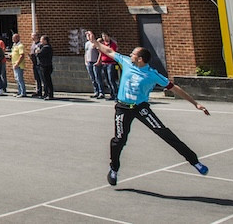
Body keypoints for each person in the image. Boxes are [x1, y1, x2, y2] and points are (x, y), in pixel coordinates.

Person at [86, 31, 210, 186]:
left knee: (164, 133)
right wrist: (94, 42)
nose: (130, 55)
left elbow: (174, 88)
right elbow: (109, 51)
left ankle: (195, 162)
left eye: (133, 54)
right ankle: (114, 169)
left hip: (140, 108)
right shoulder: (126, 62)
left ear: (140, 59)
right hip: (123, 108)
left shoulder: (152, 74)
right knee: (119, 140)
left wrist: (195, 103)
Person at [98, 32, 119, 100]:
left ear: (109, 37)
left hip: (111, 63)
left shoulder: (112, 44)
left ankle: (116, 95)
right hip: (104, 63)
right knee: (107, 80)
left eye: (105, 36)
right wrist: (99, 61)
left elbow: (112, 52)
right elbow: (100, 53)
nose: (104, 38)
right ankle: (112, 94)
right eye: (103, 36)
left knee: (111, 79)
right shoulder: (102, 44)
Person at [84, 32, 103, 98]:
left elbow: (100, 53)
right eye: (87, 35)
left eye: (89, 35)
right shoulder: (87, 44)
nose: (88, 37)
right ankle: (96, 91)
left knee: (98, 77)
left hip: (95, 62)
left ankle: (101, 92)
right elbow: (86, 53)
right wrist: (86, 61)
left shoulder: (95, 43)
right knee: (93, 78)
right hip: (89, 62)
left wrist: (98, 61)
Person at [36, 35, 54, 100]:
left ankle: (50, 94)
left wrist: (37, 52)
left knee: (47, 81)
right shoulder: (43, 47)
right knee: (45, 81)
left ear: (45, 41)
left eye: (42, 40)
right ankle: (46, 93)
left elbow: (39, 54)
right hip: (44, 65)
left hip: (46, 66)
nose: (40, 41)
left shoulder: (46, 47)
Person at [29, 33, 43, 98]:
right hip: (34, 63)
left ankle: (42, 92)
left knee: (41, 78)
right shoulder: (33, 44)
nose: (32, 37)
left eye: (33, 36)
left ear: (37, 36)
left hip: (38, 63)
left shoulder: (39, 44)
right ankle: (38, 91)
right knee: (37, 78)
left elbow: (39, 53)